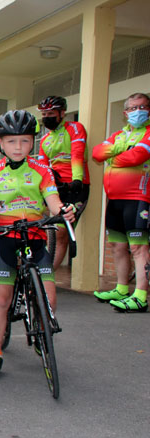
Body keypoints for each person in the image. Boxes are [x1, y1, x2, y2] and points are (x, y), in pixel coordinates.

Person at [0, 110, 75, 377]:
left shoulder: (42, 170)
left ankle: (41, 329)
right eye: (12, 141)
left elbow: (52, 199)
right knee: (2, 300)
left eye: (25, 141)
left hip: (36, 236)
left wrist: (62, 211)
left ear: (33, 142)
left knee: (49, 296)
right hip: (6, 237)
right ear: (1, 144)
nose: (19, 147)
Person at [91, 92, 150, 312]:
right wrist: (121, 150)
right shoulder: (119, 134)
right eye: (133, 108)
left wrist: (113, 156)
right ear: (125, 113)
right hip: (115, 199)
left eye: (143, 107)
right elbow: (97, 153)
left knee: (138, 247)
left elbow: (138, 157)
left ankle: (141, 297)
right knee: (118, 246)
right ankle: (122, 289)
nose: (138, 111)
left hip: (139, 198)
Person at [36, 95, 90, 270]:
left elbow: (77, 154)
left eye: (50, 113)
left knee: (62, 232)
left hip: (76, 187)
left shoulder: (75, 128)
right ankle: (45, 273)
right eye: (44, 114)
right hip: (56, 187)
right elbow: (42, 167)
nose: (46, 117)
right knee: (56, 232)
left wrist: (77, 179)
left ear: (62, 113)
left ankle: (48, 274)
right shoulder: (45, 139)